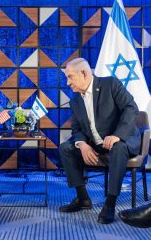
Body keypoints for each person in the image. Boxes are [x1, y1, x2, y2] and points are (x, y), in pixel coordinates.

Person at [59, 58, 141, 224]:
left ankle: (110, 204)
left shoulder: (110, 84)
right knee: (65, 147)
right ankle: (83, 199)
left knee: (118, 147)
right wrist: (82, 145)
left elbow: (131, 108)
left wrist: (118, 135)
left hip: (122, 140)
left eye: (70, 77)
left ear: (84, 73)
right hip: (96, 144)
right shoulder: (75, 100)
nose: (67, 82)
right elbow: (77, 129)